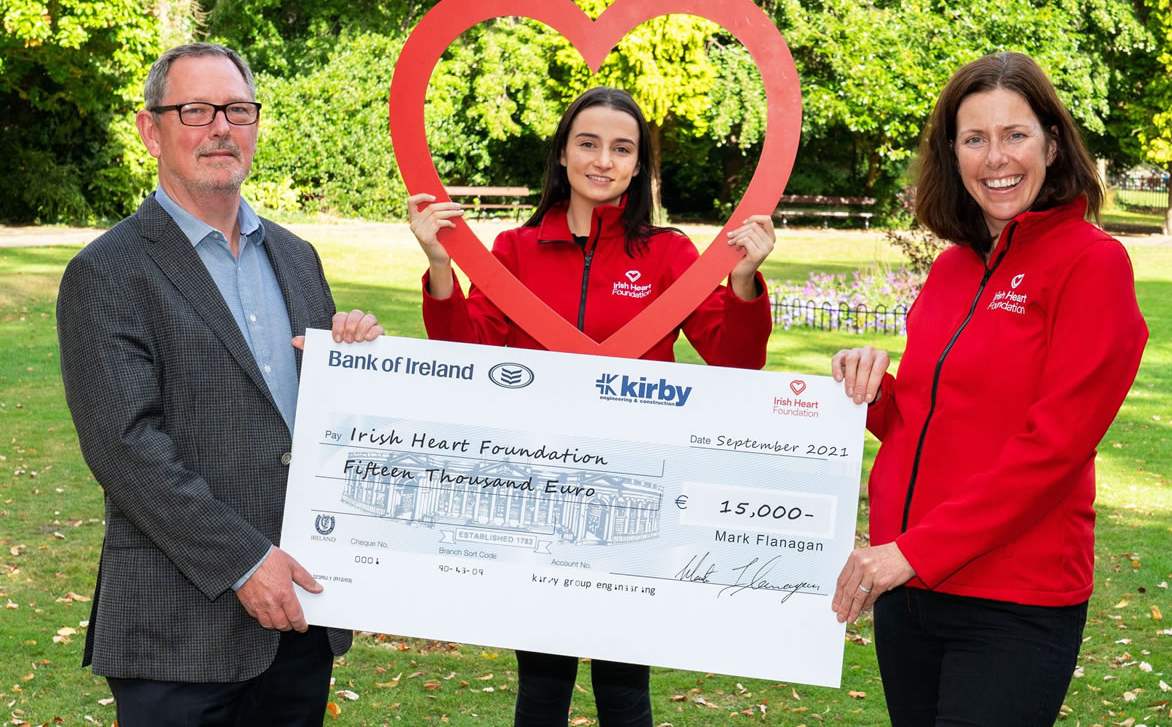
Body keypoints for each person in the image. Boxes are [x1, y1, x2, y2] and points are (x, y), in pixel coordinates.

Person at [409, 86, 775, 725]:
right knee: (542, 689)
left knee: (625, 689)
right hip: (537, 493)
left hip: (636, 495)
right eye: (588, 143)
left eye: (622, 148)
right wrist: (441, 268)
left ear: (638, 167)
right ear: (563, 155)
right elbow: (464, 358)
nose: (603, 159)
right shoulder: (515, 251)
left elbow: (736, 361)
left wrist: (743, 282)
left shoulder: (669, 255)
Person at [57, 42, 383, 726]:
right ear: (152, 129)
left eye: (237, 109)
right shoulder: (109, 271)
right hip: (178, 630)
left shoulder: (296, 257)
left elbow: (321, 428)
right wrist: (243, 560)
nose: (220, 128)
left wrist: (354, 363)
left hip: (299, 617)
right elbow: (125, 447)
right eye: (195, 110)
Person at [829, 51, 1148, 726]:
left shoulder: (1094, 265)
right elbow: (930, 418)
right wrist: (871, 389)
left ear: (1053, 143)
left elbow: (1053, 448)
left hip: (1013, 600)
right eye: (975, 138)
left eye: (1015, 134)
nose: (995, 157)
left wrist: (911, 551)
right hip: (909, 592)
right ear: (953, 153)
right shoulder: (951, 268)